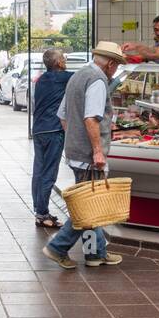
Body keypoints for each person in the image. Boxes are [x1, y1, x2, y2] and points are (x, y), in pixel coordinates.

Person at [43, 41, 127, 269]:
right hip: (89, 156)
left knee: (93, 204)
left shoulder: (78, 75)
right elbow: (91, 118)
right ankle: (57, 247)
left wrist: (74, 137)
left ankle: (95, 253)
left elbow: (62, 115)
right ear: (110, 64)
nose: (115, 70)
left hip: (75, 151)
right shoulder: (98, 80)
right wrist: (97, 151)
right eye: (116, 65)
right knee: (87, 209)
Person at [31, 48, 71, 229]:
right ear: (57, 63)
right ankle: (42, 213)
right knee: (49, 173)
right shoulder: (62, 77)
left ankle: (39, 210)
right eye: (63, 57)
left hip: (39, 130)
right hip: (53, 130)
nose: (65, 60)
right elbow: (86, 77)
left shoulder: (42, 79)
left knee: (39, 172)